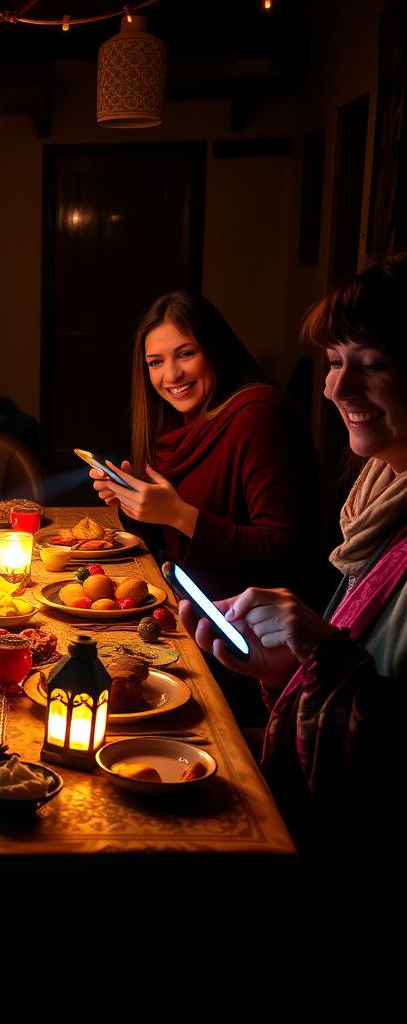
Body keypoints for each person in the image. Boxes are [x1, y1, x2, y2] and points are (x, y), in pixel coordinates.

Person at [179, 255, 407, 851]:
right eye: (333, 363)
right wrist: (290, 665)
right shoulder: (379, 497)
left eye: (373, 363)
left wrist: (324, 656)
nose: (335, 387)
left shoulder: (258, 414)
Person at [90, 292, 320, 601]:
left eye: (186, 354)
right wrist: (134, 502)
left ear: (216, 350)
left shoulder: (260, 414)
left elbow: (283, 551)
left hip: (250, 624)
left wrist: (179, 514)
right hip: (192, 604)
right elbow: (170, 541)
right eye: (156, 362)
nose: (171, 375)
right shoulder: (176, 424)